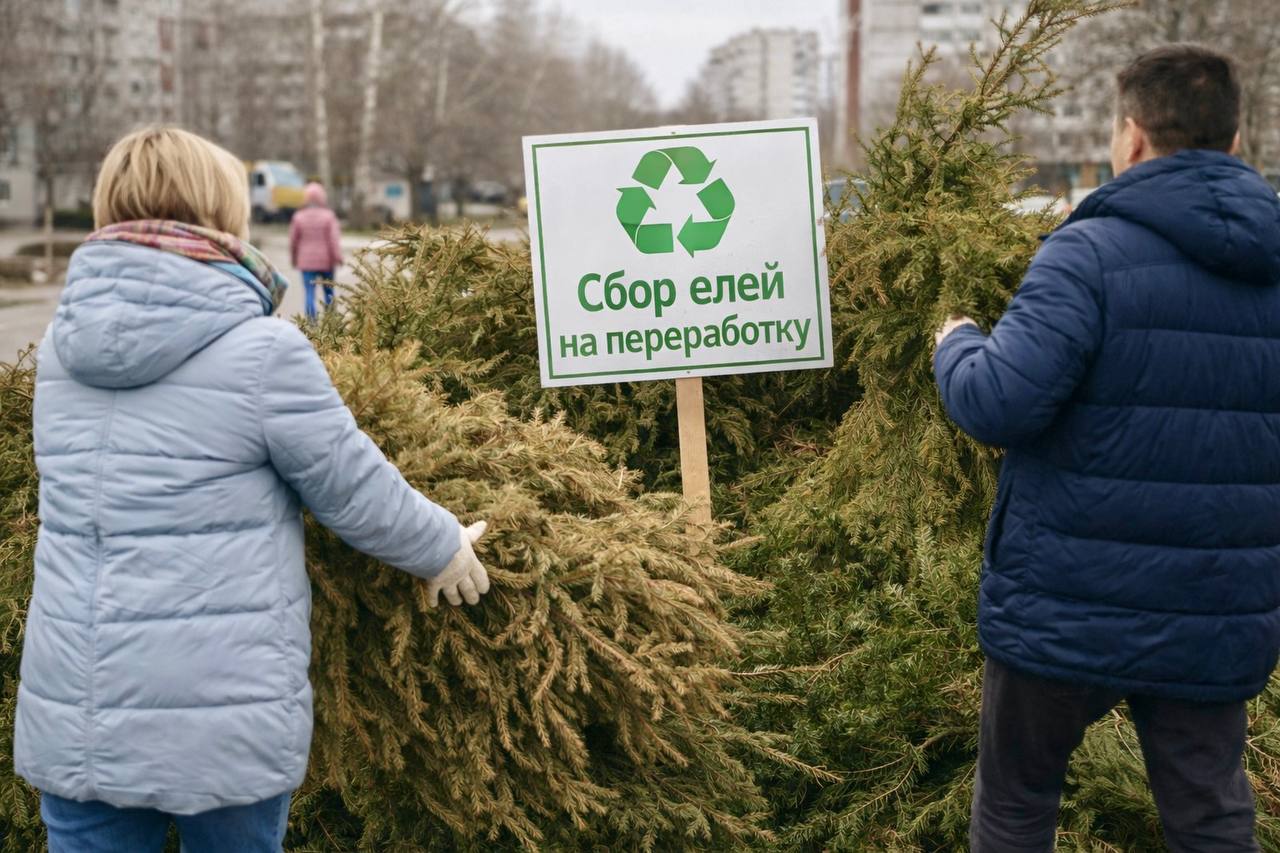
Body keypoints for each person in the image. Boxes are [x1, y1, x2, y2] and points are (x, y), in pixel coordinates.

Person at [16, 126, 492, 853]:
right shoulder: (261, 351)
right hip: (224, 720)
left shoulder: (60, 353)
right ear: (221, 212)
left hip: (78, 715)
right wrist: (442, 547)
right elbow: (350, 482)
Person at [935, 45, 1280, 853]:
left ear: (1129, 140)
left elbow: (998, 400)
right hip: (1216, 601)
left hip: (1063, 602)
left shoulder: (1085, 256)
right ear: (1235, 143)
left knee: (1018, 803)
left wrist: (955, 342)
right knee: (1211, 816)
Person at [289, 181, 342, 320]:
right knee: (329, 292)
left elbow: (293, 241)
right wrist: (337, 257)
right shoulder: (329, 216)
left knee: (309, 293)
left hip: (306, 263)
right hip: (327, 263)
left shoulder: (298, 216)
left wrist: (294, 259)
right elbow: (334, 240)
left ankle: (312, 324)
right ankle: (331, 323)